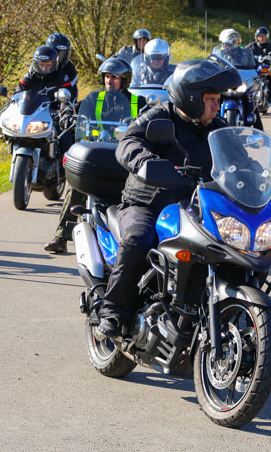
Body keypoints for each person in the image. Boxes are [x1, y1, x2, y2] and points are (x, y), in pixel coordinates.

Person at [95, 56, 242, 337]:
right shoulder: (159, 116)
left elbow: (239, 158)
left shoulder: (217, 126)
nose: (217, 105)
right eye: (210, 99)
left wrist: (253, 174)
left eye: (218, 99)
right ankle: (114, 311)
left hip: (194, 206)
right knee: (139, 239)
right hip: (149, 202)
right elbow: (128, 141)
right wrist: (145, 161)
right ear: (190, 98)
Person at [45, 57, 147, 254]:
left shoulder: (138, 102)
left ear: (125, 80)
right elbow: (75, 109)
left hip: (123, 159)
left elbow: (149, 116)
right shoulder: (94, 99)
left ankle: (130, 243)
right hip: (97, 156)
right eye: (107, 76)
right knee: (75, 187)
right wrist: (66, 111)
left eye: (115, 77)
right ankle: (61, 237)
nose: (110, 81)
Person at [16, 34, 79, 101]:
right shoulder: (35, 68)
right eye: (56, 53)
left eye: (63, 54)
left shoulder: (70, 69)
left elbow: (71, 92)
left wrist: (67, 107)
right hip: (37, 104)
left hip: (59, 104)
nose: (44, 68)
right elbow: (22, 89)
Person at [246, 26, 271, 104]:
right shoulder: (253, 45)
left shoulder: (269, 45)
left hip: (265, 67)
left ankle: (270, 95)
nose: (261, 38)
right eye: (259, 36)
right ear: (257, 37)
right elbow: (245, 51)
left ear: (266, 37)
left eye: (263, 37)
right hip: (255, 67)